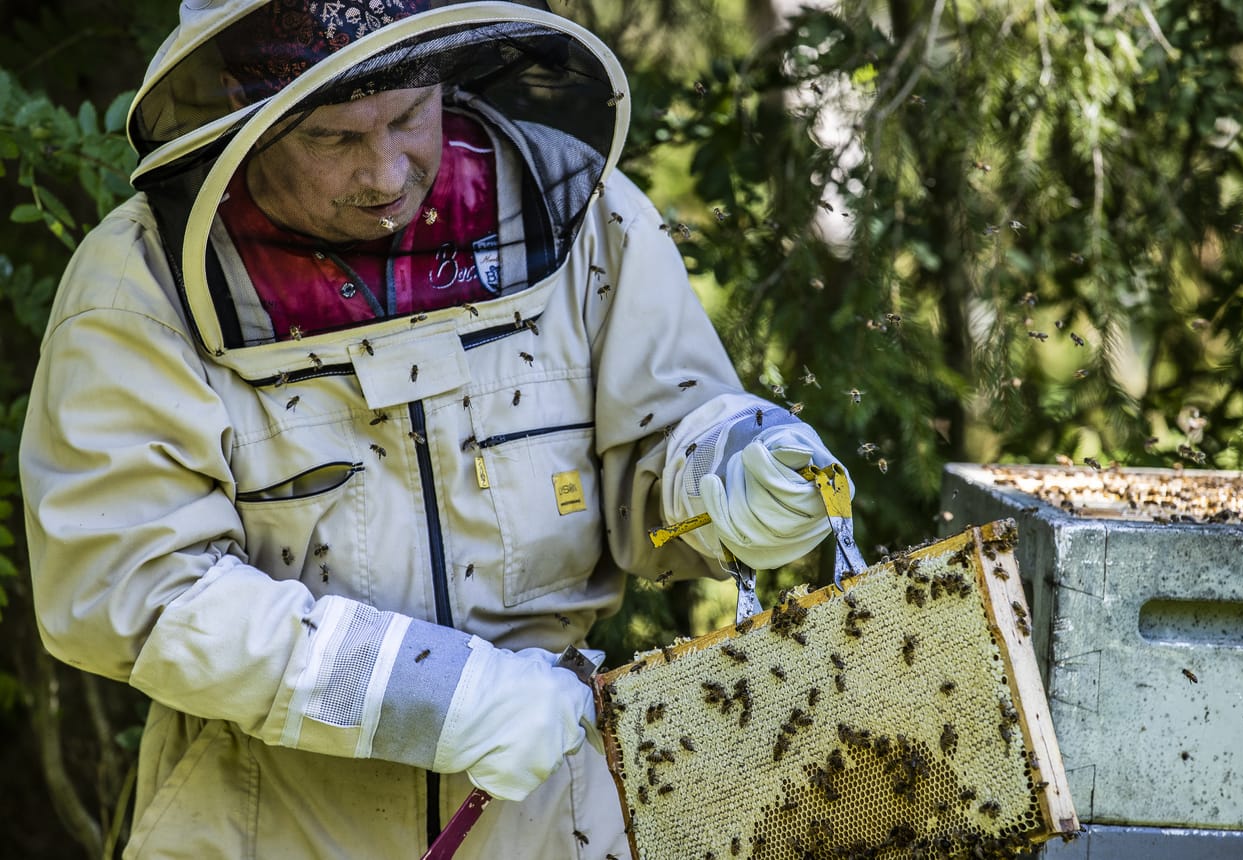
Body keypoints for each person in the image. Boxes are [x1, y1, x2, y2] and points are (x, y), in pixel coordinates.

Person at [19, 1, 853, 857]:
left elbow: (657, 445)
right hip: (266, 817)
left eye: (411, 117)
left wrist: (724, 474)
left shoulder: (582, 218)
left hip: (551, 812)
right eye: (334, 139)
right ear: (243, 101)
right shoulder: (140, 288)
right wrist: (443, 696)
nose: (385, 174)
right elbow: (130, 589)